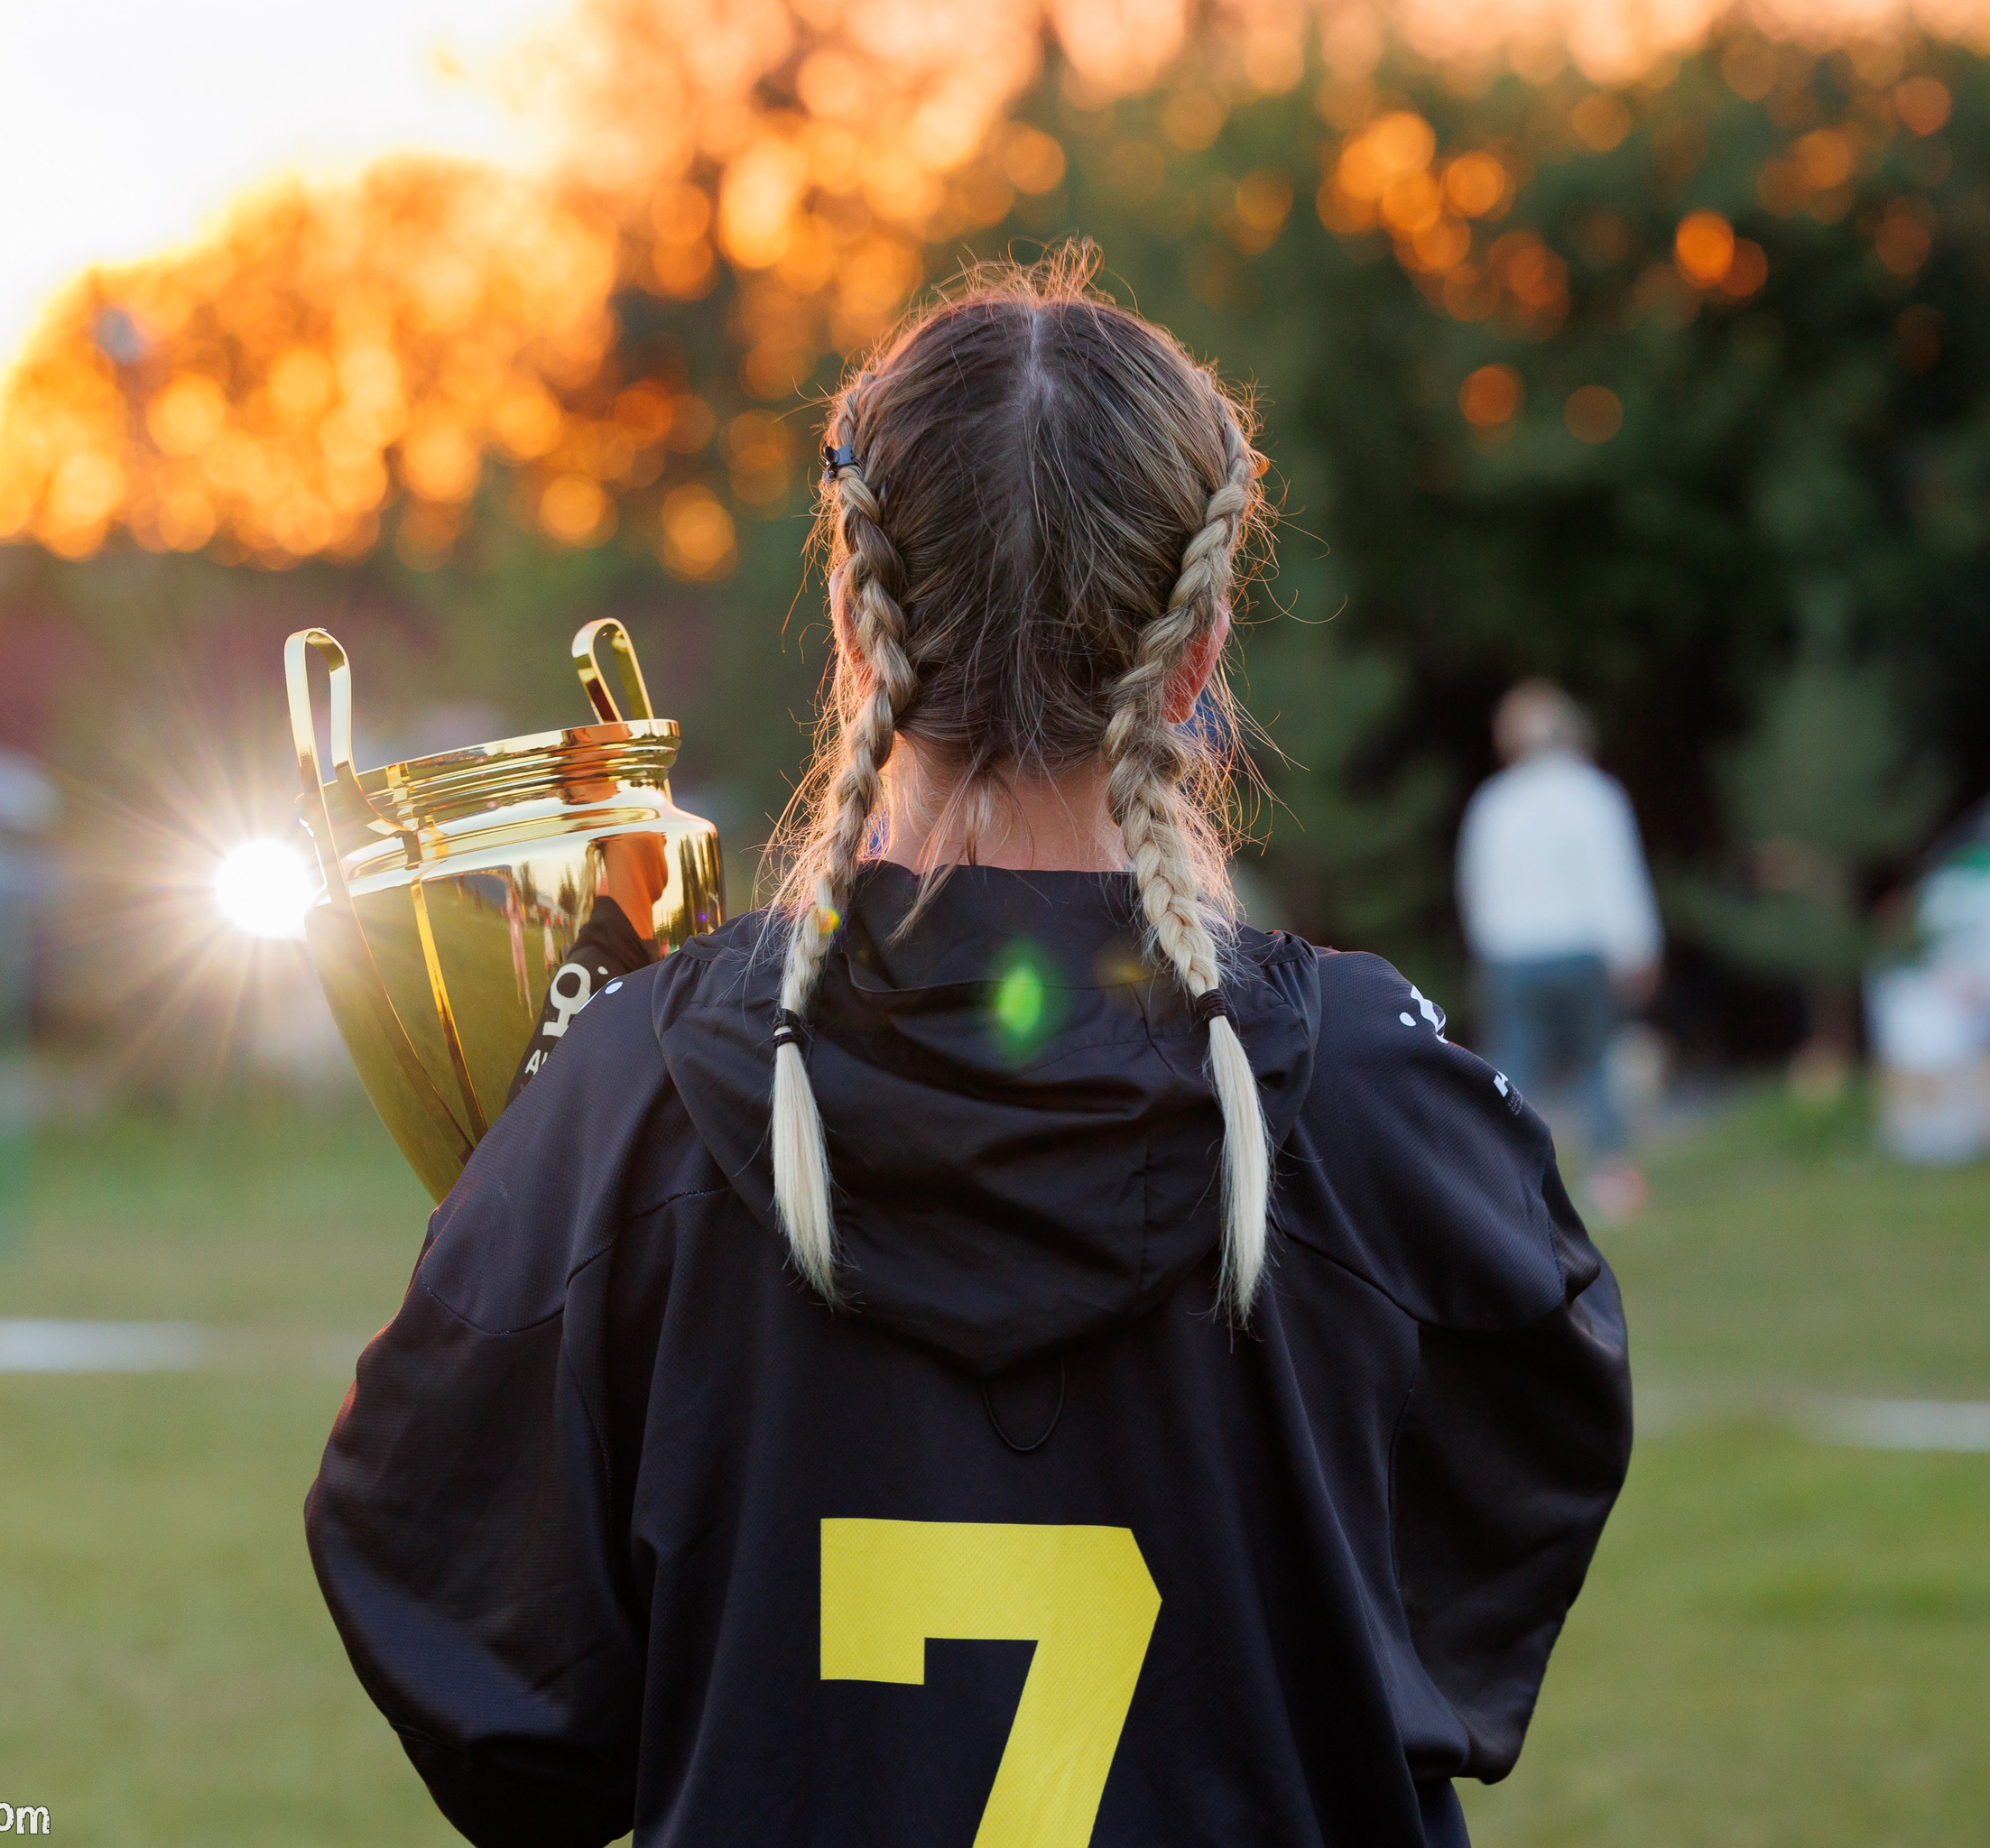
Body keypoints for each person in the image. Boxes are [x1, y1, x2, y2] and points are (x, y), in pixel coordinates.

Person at [307, 257, 1631, 1848]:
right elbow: (1478, 1551)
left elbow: (501, 1692)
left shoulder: (644, 1091)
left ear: (862, 641)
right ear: (1198, 652)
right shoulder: (1372, 1088)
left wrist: (543, 1184)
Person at [1457, 681, 1662, 1221]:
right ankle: (1610, 1178)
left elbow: (1476, 887)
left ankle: (1503, 1184)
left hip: (1512, 954)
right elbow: (1617, 878)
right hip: (1580, 951)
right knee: (1597, 1061)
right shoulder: (1595, 795)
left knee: (1513, 1069)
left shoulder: (1494, 803)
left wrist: (1486, 950)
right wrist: (1638, 947)